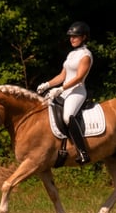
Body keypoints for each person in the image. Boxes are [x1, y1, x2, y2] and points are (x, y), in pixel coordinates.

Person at [37, 21, 93, 164]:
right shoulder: (71, 54)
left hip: (77, 91)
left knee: (68, 117)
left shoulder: (86, 55)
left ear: (84, 37)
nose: (72, 39)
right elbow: (62, 76)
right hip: (65, 90)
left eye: (75, 36)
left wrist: (61, 89)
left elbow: (79, 77)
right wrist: (47, 84)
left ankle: (83, 152)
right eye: (71, 36)